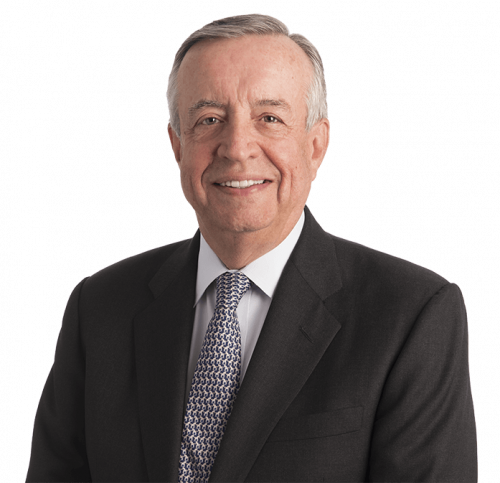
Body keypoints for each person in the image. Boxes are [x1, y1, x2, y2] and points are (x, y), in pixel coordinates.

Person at [26, 13, 478, 482]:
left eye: (269, 118)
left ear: (316, 144)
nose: (237, 147)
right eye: (209, 120)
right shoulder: (100, 308)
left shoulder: (410, 314)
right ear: (177, 145)